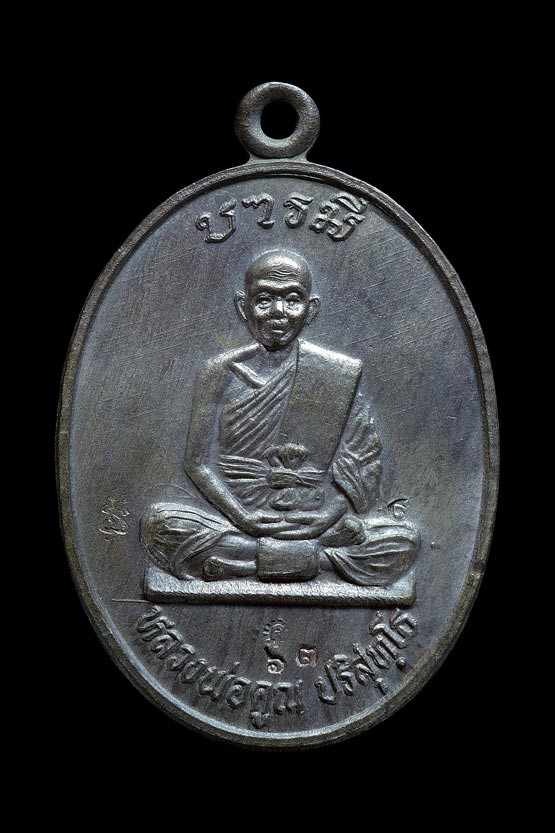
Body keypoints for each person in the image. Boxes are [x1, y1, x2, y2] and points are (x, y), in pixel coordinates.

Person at [140, 250, 419, 585]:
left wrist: (324, 518)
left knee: (402, 540)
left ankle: (246, 562)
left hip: (315, 520)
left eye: (292, 300)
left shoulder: (337, 374)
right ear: (242, 306)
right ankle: (317, 560)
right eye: (264, 299)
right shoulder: (219, 372)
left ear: (311, 310)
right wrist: (244, 518)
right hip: (238, 520)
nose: (278, 312)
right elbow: (197, 463)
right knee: (161, 526)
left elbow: (362, 462)